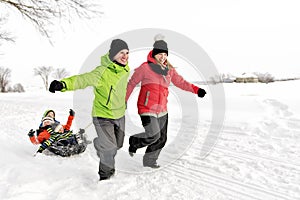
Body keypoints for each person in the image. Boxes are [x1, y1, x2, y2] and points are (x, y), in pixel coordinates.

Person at [48, 39, 130, 180]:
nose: (125, 56)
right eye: (121, 52)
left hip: (120, 115)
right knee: (109, 148)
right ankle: (105, 177)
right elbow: (83, 79)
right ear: (113, 54)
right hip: (103, 116)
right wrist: (63, 84)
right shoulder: (101, 72)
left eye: (127, 53)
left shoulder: (125, 71)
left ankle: (99, 143)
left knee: (118, 144)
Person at [125, 36, 206, 168]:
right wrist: (124, 101)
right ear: (154, 54)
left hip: (162, 110)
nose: (163, 57)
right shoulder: (145, 68)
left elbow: (181, 82)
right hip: (147, 108)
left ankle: (149, 161)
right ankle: (135, 141)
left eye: (165, 54)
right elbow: (131, 83)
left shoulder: (169, 70)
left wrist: (197, 90)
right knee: (153, 135)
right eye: (160, 54)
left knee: (162, 139)